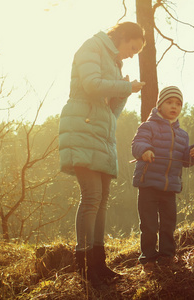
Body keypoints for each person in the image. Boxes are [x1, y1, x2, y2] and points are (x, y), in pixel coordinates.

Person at [59, 22, 145, 287]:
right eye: (132, 48)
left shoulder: (115, 62)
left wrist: (123, 93)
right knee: (92, 196)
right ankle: (84, 264)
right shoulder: (92, 46)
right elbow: (93, 86)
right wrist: (125, 88)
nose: (132, 55)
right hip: (81, 126)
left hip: (101, 131)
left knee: (102, 199)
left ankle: (99, 263)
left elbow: (110, 111)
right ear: (122, 37)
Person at [131, 86, 194, 274]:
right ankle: (148, 259)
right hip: (148, 184)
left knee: (168, 224)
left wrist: (193, 153)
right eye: (169, 102)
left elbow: (185, 161)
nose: (174, 107)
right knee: (149, 225)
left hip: (170, 187)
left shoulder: (182, 135)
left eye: (178, 104)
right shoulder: (148, 126)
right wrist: (145, 151)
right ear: (159, 105)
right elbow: (137, 143)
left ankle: (167, 256)